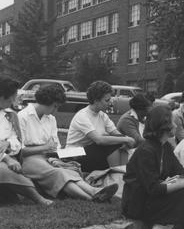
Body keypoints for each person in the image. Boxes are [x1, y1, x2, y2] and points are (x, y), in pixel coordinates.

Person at [18, 84, 118, 202]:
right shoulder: (22, 117)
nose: (56, 111)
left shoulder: (51, 119)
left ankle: (94, 192)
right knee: (57, 172)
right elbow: (20, 151)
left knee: (68, 170)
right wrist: (44, 147)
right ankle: (91, 196)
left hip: (48, 156)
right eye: (55, 106)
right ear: (45, 102)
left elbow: (56, 146)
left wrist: (62, 154)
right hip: (28, 159)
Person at [122, 106, 184, 229]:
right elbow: (153, 188)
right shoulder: (145, 151)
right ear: (164, 125)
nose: (176, 125)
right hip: (137, 201)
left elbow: (180, 171)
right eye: (173, 122)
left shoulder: (164, 147)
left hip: (151, 197)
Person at [0, 77, 53, 205]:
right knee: (5, 170)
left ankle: (12, 194)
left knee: (10, 170)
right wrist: (6, 158)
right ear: (2, 97)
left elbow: (17, 141)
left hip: (10, 156)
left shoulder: (10, 115)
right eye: (13, 96)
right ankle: (37, 198)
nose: (15, 99)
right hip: (5, 158)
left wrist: (8, 143)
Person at [66, 80, 135, 172]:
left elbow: (117, 134)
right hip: (73, 154)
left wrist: (126, 141)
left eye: (110, 99)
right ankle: (122, 171)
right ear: (96, 100)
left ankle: (124, 170)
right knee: (105, 145)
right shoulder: (82, 116)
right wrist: (126, 139)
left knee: (117, 143)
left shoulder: (102, 115)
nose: (110, 102)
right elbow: (99, 140)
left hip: (90, 153)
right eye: (107, 100)